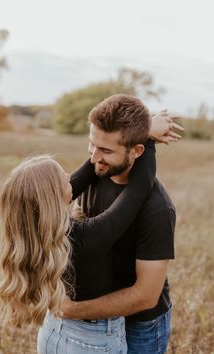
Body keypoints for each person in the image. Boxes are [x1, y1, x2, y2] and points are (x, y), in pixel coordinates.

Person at [61, 94, 181, 354]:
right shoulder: (99, 170)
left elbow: (146, 295)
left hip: (141, 325)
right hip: (100, 321)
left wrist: (73, 310)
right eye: (91, 145)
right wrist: (145, 126)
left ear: (137, 150)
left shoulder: (158, 209)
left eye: (105, 150)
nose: (94, 157)